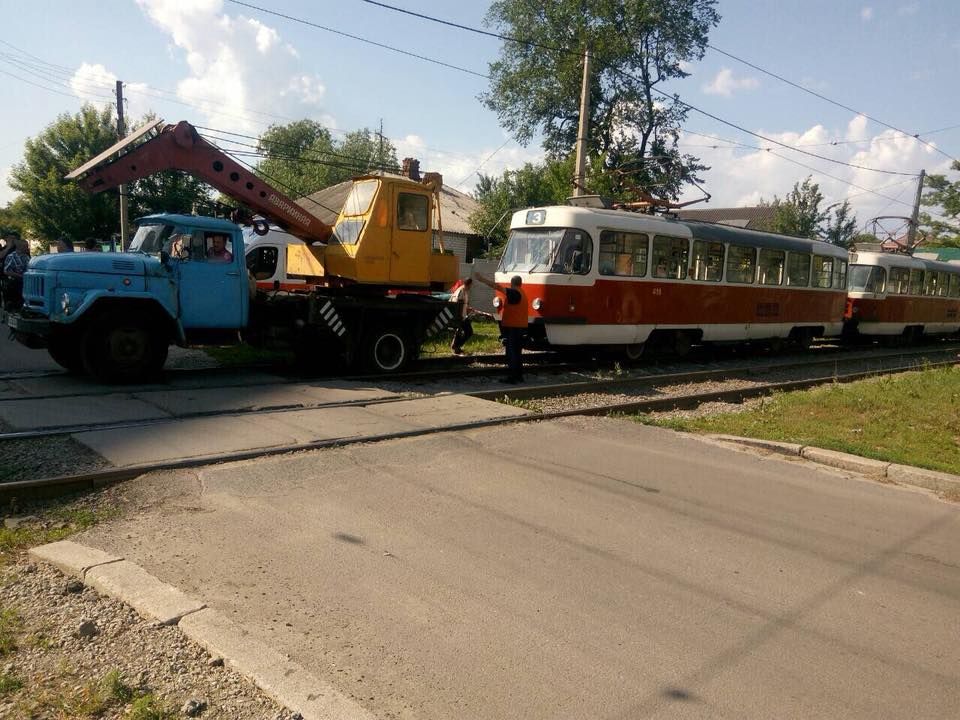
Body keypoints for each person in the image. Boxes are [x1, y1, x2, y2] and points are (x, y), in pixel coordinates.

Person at [476, 273, 527, 383]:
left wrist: (482, 279)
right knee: (517, 353)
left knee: (512, 353)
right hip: (520, 327)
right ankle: (519, 376)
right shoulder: (522, 293)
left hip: (514, 328)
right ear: (520, 283)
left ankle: (512, 377)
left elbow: (497, 287)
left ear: (512, 283)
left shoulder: (514, 293)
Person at [450, 277, 474, 355]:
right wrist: (460, 317)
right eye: (471, 285)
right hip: (460, 316)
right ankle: (456, 346)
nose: (471, 287)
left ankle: (456, 347)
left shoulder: (463, 290)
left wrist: (467, 308)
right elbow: (459, 303)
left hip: (461, 315)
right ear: (469, 284)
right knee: (469, 332)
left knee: (460, 331)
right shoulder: (462, 291)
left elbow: (463, 304)